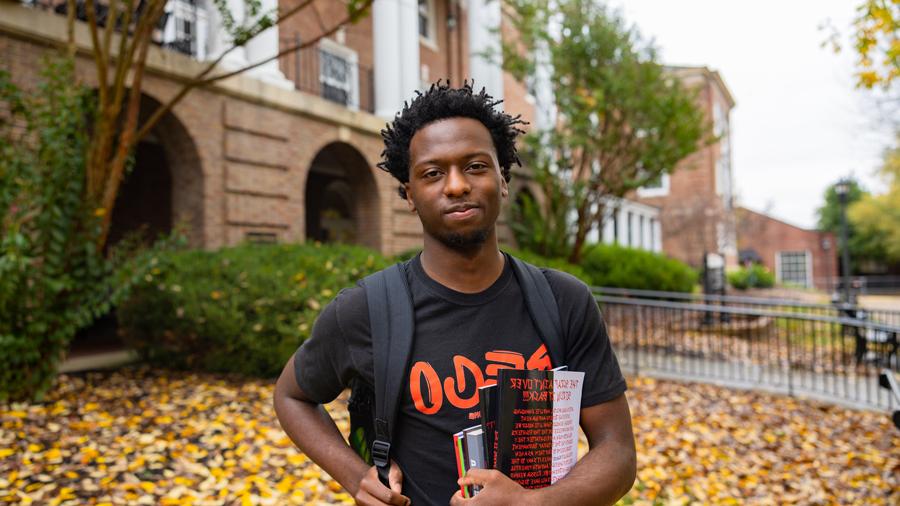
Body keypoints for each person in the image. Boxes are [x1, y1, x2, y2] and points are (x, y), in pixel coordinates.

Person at [273, 81, 636, 506]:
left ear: (503, 179)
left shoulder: (563, 301)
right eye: (432, 173)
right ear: (409, 194)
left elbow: (618, 451)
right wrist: (357, 476)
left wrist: (529, 503)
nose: (457, 185)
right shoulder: (367, 309)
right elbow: (292, 395)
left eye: (476, 166)